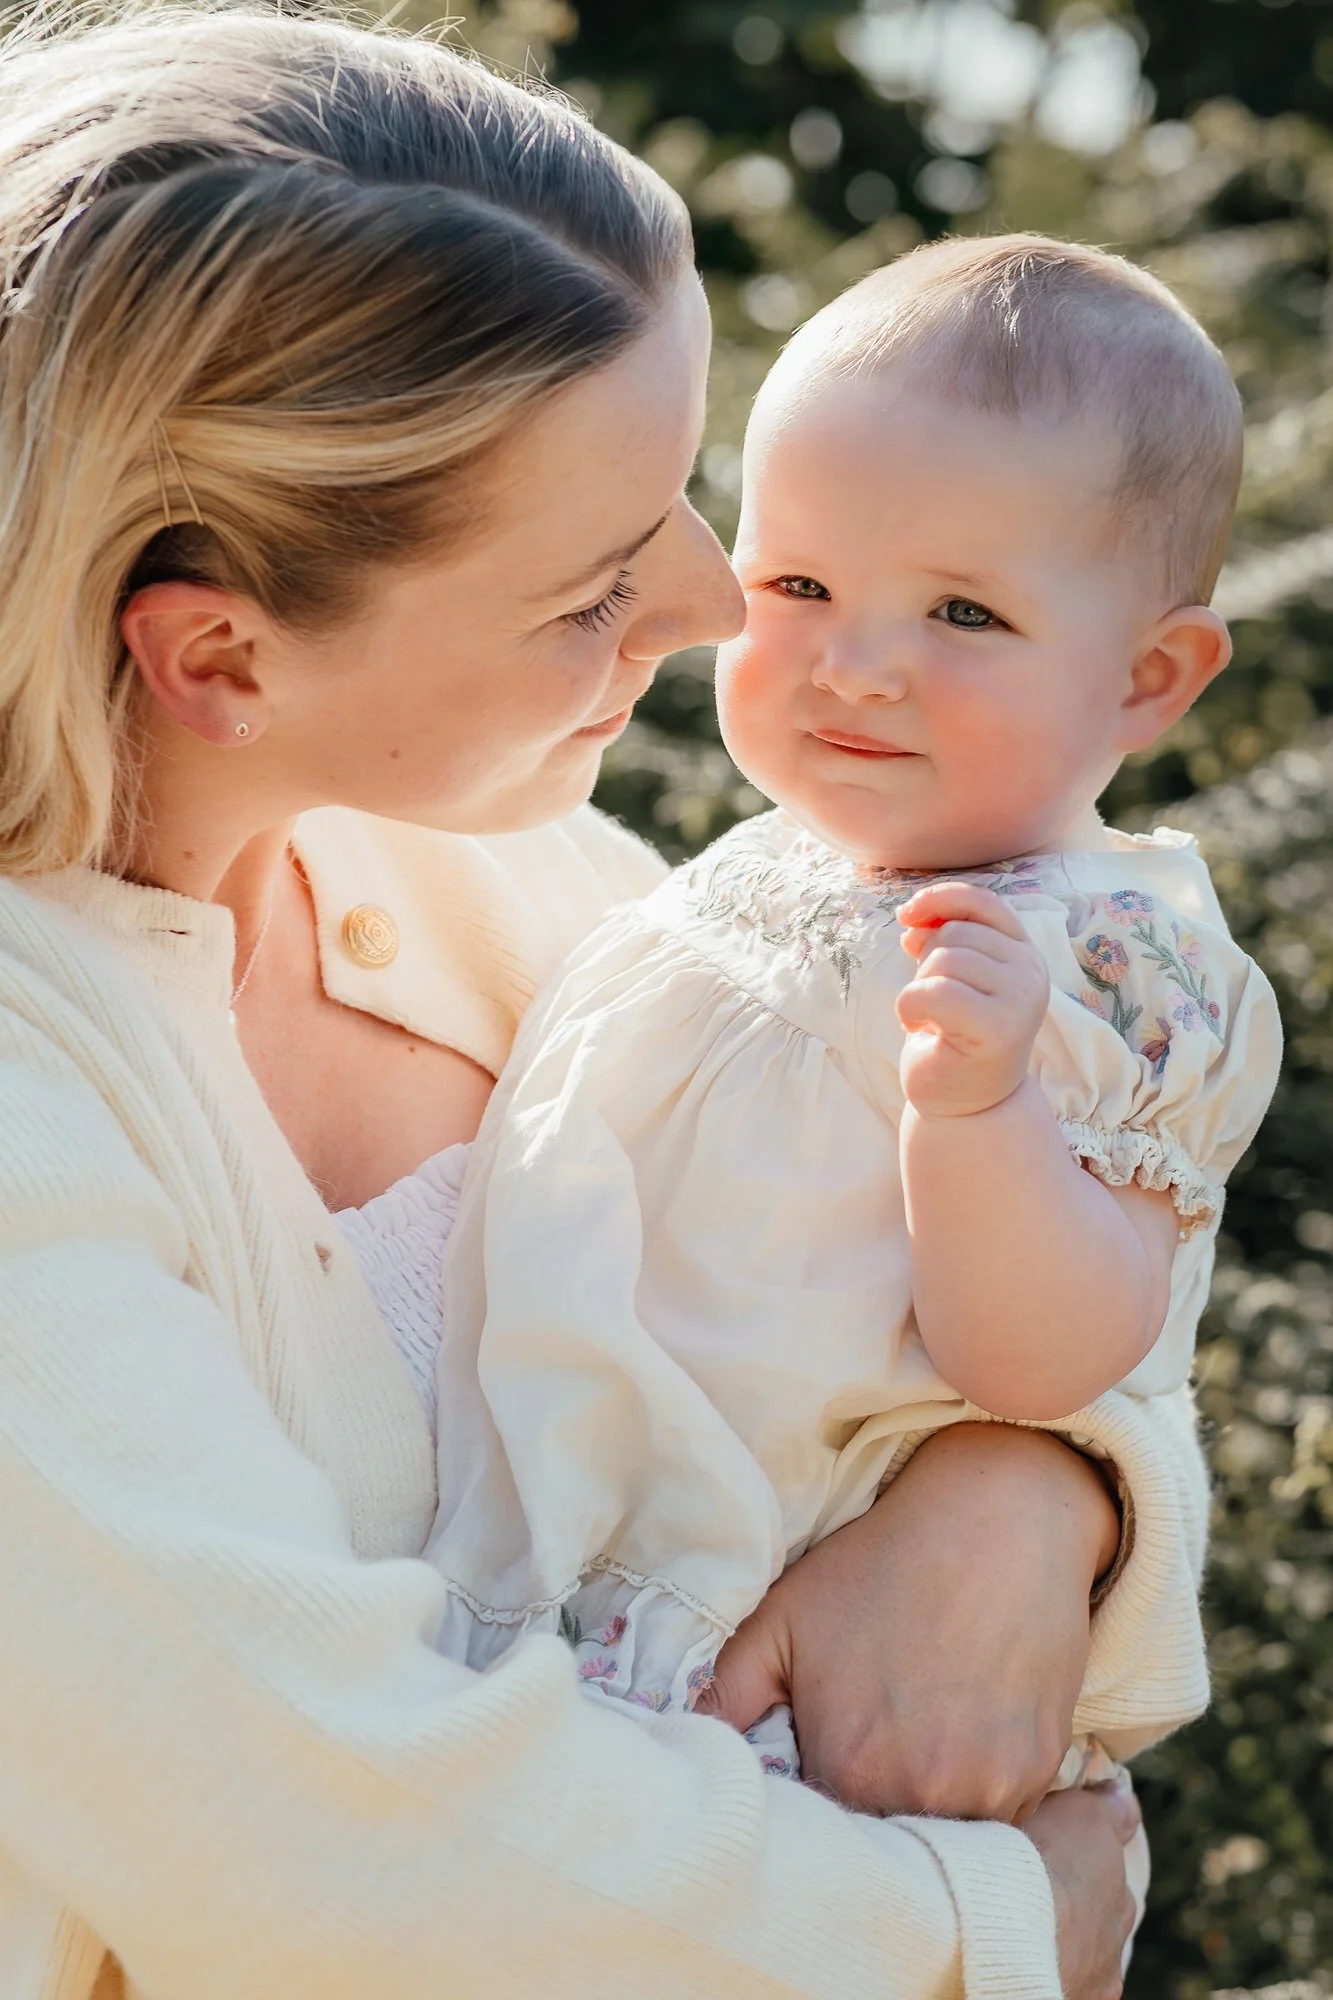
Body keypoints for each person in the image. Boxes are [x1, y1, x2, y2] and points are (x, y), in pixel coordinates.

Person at [0, 8, 1191, 1994]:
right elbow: (336, 1842)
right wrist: (979, 1934)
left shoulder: (540, 884)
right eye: (591, 585)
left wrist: (1028, 1484)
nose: (722, 603)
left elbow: (1054, 1190)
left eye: (680, 496)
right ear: (218, 652)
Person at [364, 236, 1280, 1891]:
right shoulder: (765, 868)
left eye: (963, 611)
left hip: (787, 1652)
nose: (857, 664)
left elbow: (1055, 1355)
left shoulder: (1105, 970)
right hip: (568, 1584)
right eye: (800, 589)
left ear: (1151, 676)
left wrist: (979, 1113)